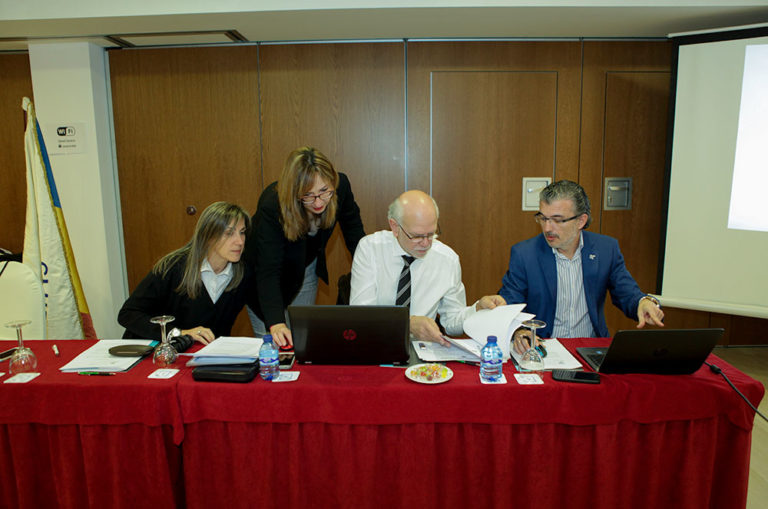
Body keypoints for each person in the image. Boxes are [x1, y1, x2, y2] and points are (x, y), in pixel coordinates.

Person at [499, 180, 664, 354]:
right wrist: (518, 331)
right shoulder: (525, 254)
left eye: (557, 220)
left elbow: (626, 291)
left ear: (581, 221)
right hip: (542, 348)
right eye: (543, 218)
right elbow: (510, 301)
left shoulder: (605, 249)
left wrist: (643, 302)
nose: (547, 228)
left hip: (590, 348)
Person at [244, 147, 365, 346]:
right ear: (294, 192)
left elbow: (354, 233)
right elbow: (268, 270)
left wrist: (370, 272)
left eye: (324, 191)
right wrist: (276, 323)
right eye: (308, 195)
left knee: (302, 340)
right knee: (273, 346)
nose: (318, 202)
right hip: (263, 281)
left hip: (305, 267)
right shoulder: (273, 205)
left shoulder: (340, 186)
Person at [350, 190, 505, 345]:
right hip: (374, 343)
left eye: (431, 234)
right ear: (395, 227)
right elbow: (360, 317)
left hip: (422, 350)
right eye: (417, 236)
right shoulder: (370, 249)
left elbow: (452, 323)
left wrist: (477, 309)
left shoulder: (447, 259)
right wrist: (408, 323)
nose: (426, 243)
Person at [118, 201, 255, 345]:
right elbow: (128, 314)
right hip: (153, 350)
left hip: (202, 355)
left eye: (242, 232)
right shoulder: (173, 267)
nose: (240, 241)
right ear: (208, 236)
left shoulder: (244, 274)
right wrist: (179, 333)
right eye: (229, 233)